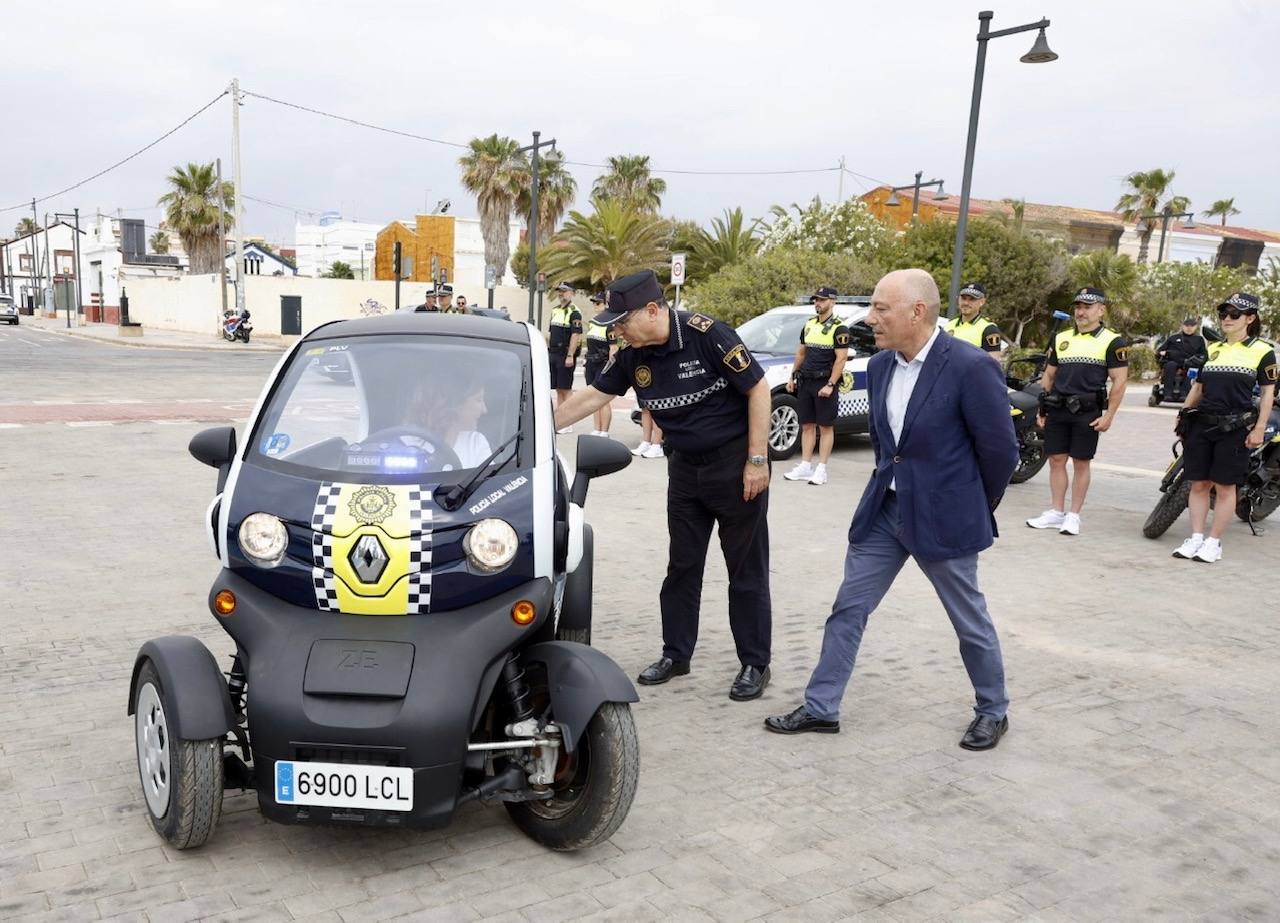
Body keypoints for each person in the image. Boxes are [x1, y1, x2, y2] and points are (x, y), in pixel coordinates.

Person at [764, 269, 1018, 750]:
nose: (871, 318)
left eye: (882, 308)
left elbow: (1000, 452)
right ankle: (821, 708)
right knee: (848, 609)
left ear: (916, 312)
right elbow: (885, 445)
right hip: (886, 512)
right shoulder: (880, 366)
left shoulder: (969, 366)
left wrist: (973, 505)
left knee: (968, 619)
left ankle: (993, 709)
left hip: (943, 518)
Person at [554, 270, 774, 701]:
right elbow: (593, 397)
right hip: (685, 472)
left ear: (652, 310)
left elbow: (759, 388)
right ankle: (677, 654)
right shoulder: (635, 355)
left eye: (622, 322)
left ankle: (754, 663)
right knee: (682, 568)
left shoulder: (707, 335)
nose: (616, 330)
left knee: (745, 571)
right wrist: (533, 429)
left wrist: (757, 460)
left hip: (735, 470)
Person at [1170, 293, 1276, 563]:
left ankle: (1213, 543)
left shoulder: (1262, 351)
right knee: (1199, 483)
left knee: (1226, 486)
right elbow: (1199, 386)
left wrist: (1259, 427)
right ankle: (1195, 538)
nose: (1227, 319)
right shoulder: (1213, 348)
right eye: (1223, 314)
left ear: (1250, 318)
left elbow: (1266, 395)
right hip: (1203, 423)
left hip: (1236, 427)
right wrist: (1183, 413)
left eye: (1234, 314)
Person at [1026, 287, 1128, 536]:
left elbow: (1120, 381)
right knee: (1056, 460)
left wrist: (1109, 415)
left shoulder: (1112, 341)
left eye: (1087, 307)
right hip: (1058, 409)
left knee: (1081, 463)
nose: (1081, 312)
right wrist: (1043, 407)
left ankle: (1073, 516)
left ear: (1101, 310)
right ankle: (1056, 512)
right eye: (1078, 307)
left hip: (1087, 411)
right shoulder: (1062, 338)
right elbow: (1049, 374)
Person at [783, 286, 851, 486]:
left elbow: (841, 359)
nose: (817, 303)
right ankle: (805, 466)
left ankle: (821, 469)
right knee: (807, 426)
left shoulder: (840, 328)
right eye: (815, 300)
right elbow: (801, 353)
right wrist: (792, 377)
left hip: (825, 383)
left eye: (821, 300)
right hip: (806, 381)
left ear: (832, 301)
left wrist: (830, 384)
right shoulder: (809, 325)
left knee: (826, 426)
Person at [404, 369, 493, 468]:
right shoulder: (405, 442)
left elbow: (491, 481)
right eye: (478, 400)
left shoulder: (475, 443)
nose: (484, 410)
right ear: (455, 404)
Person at [582, 293, 620, 437]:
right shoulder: (593, 322)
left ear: (606, 304)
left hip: (602, 363)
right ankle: (597, 428)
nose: (595, 306)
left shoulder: (610, 324)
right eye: (594, 303)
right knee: (593, 397)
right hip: (591, 362)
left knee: (603, 399)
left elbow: (613, 347)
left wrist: (610, 367)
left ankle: (604, 431)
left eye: (598, 303)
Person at [547, 282, 583, 432]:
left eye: (564, 291)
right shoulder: (555, 310)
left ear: (572, 293)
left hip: (564, 354)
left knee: (566, 389)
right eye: (559, 291)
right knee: (558, 389)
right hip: (553, 353)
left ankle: (568, 423)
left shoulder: (574, 312)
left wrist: (570, 355)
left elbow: (575, 335)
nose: (561, 294)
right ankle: (561, 420)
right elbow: (550, 333)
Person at [944, 282, 1003, 362]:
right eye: (963, 298)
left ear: (982, 302)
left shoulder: (989, 329)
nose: (966, 303)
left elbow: (993, 366)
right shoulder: (948, 326)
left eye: (972, 299)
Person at [1156, 317, 1208, 399]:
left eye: (1192, 326)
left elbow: (1203, 354)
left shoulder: (1199, 339)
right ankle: (1167, 393)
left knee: (1193, 369)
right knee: (1170, 365)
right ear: (1183, 326)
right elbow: (1160, 351)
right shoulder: (1173, 338)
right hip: (1174, 361)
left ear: (1195, 327)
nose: (1189, 328)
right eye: (1187, 326)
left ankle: (1185, 393)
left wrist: (1198, 359)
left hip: (1191, 362)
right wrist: (1163, 353)